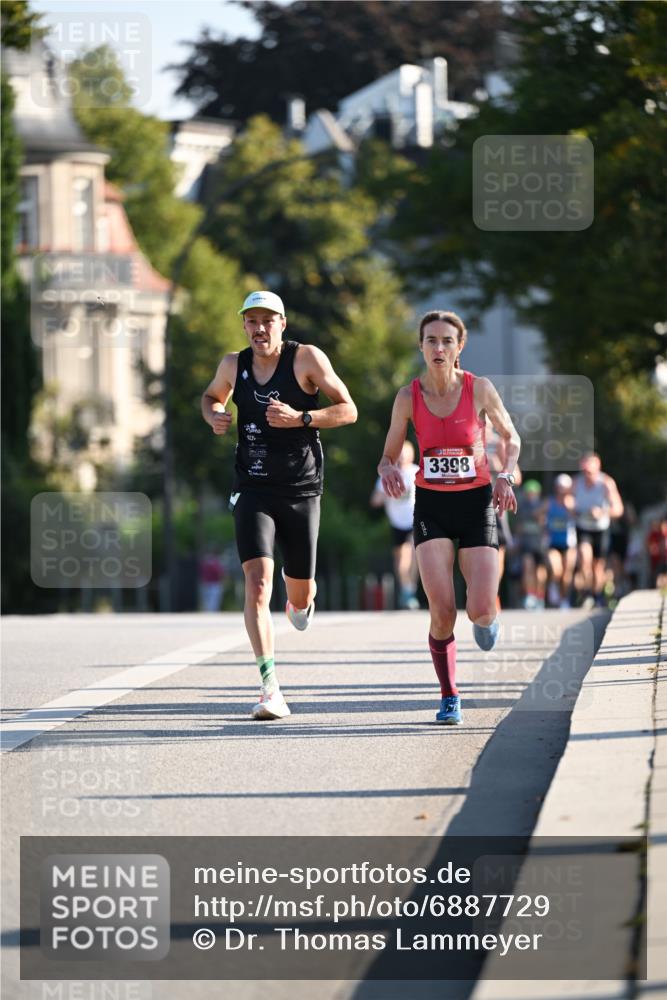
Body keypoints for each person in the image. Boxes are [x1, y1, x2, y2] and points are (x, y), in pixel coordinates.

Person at [201, 290, 357, 720]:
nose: (259, 329)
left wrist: (302, 417)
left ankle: (301, 602)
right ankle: (270, 688)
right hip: (252, 487)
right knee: (256, 583)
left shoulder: (306, 359)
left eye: (268, 320)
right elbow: (212, 395)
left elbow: (349, 410)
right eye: (252, 321)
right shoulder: (234, 364)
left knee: (298, 594)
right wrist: (214, 413)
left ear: (282, 324)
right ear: (244, 326)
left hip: (302, 489)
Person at [378, 310, 520, 726]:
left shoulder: (480, 390)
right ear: (421, 346)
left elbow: (511, 438)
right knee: (441, 610)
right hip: (432, 508)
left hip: (476, 503)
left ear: (460, 346)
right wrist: (387, 468)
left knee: (479, 610)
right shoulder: (408, 397)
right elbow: (389, 454)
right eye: (431, 340)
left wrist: (506, 476)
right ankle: (450, 695)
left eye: (446, 341)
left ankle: (488, 615)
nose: (438, 348)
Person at [370, 441, 420, 609]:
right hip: (397, 523)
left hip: (414, 520)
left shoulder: (416, 472)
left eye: (406, 453)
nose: (403, 457)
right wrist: (386, 494)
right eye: (401, 453)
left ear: (412, 455)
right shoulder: (388, 474)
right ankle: (407, 589)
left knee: (414, 556)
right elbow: (375, 501)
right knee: (400, 560)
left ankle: (410, 591)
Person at [573, 452, 624, 607]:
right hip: (583, 526)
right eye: (585, 471)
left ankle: (596, 595)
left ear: (598, 467)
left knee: (598, 566)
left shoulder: (606, 483)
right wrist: (572, 508)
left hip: (601, 528)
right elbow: (565, 499)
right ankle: (587, 592)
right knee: (584, 555)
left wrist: (602, 512)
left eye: (590, 471)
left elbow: (618, 509)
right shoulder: (576, 482)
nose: (587, 475)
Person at [513, 479, 547, 610]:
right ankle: (530, 595)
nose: (531, 495)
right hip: (526, 543)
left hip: (540, 543)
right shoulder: (521, 507)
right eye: (529, 493)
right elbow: (518, 527)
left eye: (533, 493)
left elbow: (545, 524)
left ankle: (540, 596)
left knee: (540, 571)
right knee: (528, 568)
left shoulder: (543, 505)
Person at [544, 474, 577, 608]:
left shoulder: (572, 502)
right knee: (556, 570)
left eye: (565, 488)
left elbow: (580, 517)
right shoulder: (549, 502)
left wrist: (571, 509)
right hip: (552, 542)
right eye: (560, 487)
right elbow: (537, 514)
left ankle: (564, 599)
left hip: (569, 543)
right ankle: (552, 587)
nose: (562, 490)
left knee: (566, 573)